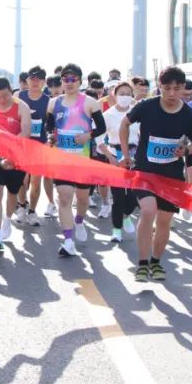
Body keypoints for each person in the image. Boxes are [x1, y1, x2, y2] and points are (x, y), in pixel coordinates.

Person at [120, 66, 192, 280]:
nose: (172, 93)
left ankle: (155, 262)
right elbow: (125, 124)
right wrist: (126, 154)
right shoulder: (147, 106)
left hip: (171, 176)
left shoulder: (189, 115)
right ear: (159, 87)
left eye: (177, 88)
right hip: (144, 171)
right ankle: (142, 263)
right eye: (167, 88)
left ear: (184, 88)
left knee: (164, 221)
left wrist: (186, 150)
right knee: (148, 211)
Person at [47, 63, 107, 257]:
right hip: (61, 160)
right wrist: (51, 137)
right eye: (66, 79)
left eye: (73, 79)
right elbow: (49, 128)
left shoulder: (89, 102)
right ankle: (68, 241)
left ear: (80, 81)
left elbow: (102, 127)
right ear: (62, 81)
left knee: (82, 198)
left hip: (82, 160)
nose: (69, 82)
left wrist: (88, 135)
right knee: (64, 197)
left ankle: (79, 221)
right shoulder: (53, 103)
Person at [0, 77, 31, 251]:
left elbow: (25, 132)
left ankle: (7, 220)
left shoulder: (22, 107)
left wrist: (10, 154)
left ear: (11, 91)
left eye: (4, 95)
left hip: (17, 159)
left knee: (12, 193)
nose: (2, 100)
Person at [99, 81, 138, 243]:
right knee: (118, 196)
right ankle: (116, 230)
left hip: (135, 156)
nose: (125, 97)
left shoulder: (137, 112)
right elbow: (99, 140)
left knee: (135, 195)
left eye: (128, 94)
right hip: (115, 155)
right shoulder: (107, 115)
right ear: (114, 95)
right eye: (121, 94)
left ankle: (126, 215)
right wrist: (111, 157)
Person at [15, 65, 52, 226]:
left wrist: (50, 141)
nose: (35, 82)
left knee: (35, 182)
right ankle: (22, 206)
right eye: (32, 79)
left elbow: (52, 126)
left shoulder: (49, 101)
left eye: (39, 80)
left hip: (39, 146)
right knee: (22, 180)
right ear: (27, 80)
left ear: (44, 82)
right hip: (21, 146)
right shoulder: (18, 96)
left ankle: (32, 211)